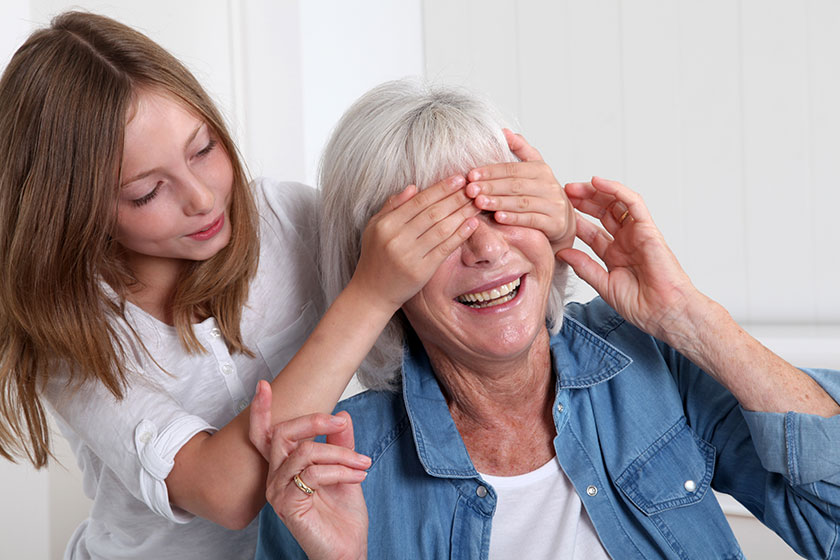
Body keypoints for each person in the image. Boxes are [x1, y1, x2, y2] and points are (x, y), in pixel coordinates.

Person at [0, 13, 566, 559]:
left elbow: (443, 297)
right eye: (147, 192)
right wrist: (367, 294)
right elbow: (229, 492)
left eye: (204, 150)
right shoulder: (69, 338)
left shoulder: (288, 217)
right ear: (73, 211)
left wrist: (553, 230)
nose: (200, 198)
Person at [253, 79, 840, 559]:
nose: (485, 249)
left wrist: (689, 317)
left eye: (502, 208)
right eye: (434, 231)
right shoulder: (332, 469)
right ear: (380, 275)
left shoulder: (649, 363)